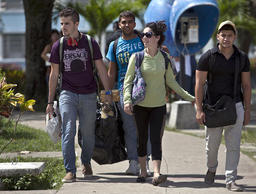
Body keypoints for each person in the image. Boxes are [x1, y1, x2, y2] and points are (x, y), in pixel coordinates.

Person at [123, 21, 195, 185]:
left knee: (156, 139)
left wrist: (191, 98)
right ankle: (142, 172)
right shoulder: (137, 57)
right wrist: (127, 101)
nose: (144, 38)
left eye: (148, 35)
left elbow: (172, 83)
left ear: (157, 38)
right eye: (143, 35)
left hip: (158, 107)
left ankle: (156, 173)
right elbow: (128, 82)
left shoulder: (165, 58)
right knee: (141, 139)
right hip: (140, 106)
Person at [46, 7, 111, 183]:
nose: (63, 27)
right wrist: (50, 102)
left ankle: (86, 161)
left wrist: (108, 94)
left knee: (88, 133)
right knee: (68, 130)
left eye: (67, 24)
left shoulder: (90, 43)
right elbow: (53, 75)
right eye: (61, 24)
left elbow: (101, 69)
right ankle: (70, 170)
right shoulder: (58, 46)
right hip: (67, 93)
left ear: (76, 23)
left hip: (89, 94)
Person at [195, 20, 251, 191]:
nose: (226, 38)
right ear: (218, 36)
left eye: (230, 35)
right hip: (212, 108)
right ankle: (212, 168)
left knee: (233, 146)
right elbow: (199, 84)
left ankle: (230, 179)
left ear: (234, 37)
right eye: (223, 35)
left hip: (235, 106)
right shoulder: (207, 57)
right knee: (211, 147)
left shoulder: (241, 58)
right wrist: (199, 109)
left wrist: (247, 110)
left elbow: (247, 85)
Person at [106, 11, 147, 175]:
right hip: (124, 91)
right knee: (129, 128)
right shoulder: (114, 45)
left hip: (145, 89)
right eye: (124, 22)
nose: (127, 25)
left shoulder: (143, 40)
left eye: (130, 22)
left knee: (145, 128)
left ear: (135, 24)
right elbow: (111, 73)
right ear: (119, 24)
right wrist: (108, 95)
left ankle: (147, 162)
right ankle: (133, 162)